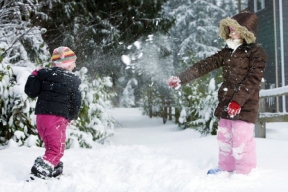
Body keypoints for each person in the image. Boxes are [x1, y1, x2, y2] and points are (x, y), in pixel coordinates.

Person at [167, 11, 268, 175]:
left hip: (246, 103)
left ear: (245, 30)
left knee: (241, 138)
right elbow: (204, 65)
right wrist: (181, 79)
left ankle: (245, 172)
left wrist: (238, 102)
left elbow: (252, 80)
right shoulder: (227, 51)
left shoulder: (257, 53)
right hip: (227, 102)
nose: (231, 30)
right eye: (229, 28)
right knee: (224, 136)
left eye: (234, 28)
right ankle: (226, 167)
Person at [25, 46, 82, 179]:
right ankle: (40, 170)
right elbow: (76, 103)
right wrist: (70, 117)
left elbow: (31, 92)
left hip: (41, 118)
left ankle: (53, 167)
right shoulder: (72, 80)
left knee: (51, 146)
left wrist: (34, 76)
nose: (75, 64)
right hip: (57, 119)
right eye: (73, 61)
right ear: (68, 64)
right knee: (57, 149)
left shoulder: (44, 75)